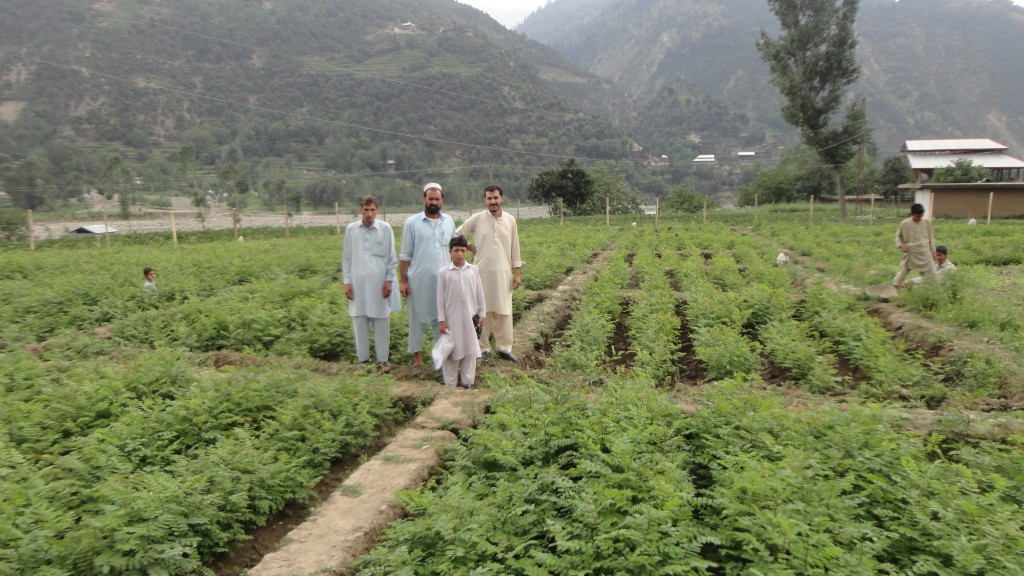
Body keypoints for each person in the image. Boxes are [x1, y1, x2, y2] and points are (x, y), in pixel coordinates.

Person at [456, 184, 522, 362]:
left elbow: (515, 247)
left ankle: (504, 348)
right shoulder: (477, 219)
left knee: (504, 311)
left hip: (503, 273)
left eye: (496, 198)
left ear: (502, 199)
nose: (493, 201)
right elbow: (456, 234)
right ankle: (483, 349)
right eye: (489, 198)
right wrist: (469, 247)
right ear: (485, 200)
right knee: (481, 311)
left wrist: (517, 273)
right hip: (480, 273)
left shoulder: (510, 220)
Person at [400, 183, 456, 377]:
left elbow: (454, 247)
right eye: (430, 199)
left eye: (437, 199)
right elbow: (405, 255)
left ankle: (440, 360)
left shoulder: (448, 221)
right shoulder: (412, 223)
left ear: (442, 201)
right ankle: (417, 360)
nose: (433, 202)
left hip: (444, 282)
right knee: (417, 320)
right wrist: (404, 281)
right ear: (424, 199)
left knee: (441, 320)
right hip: (419, 281)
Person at [342, 195, 400, 373]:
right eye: (366, 210)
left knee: (382, 319)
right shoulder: (351, 230)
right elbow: (346, 258)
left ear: (377, 210)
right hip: (357, 284)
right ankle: (363, 361)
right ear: (361, 210)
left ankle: (383, 361)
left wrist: (389, 280)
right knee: (359, 320)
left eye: (372, 210)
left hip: (379, 284)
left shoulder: (385, 229)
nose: (369, 214)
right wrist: (347, 282)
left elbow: (392, 258)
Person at [437, 235, 486, 388]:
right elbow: (440, 298)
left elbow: (479, 293)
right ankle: (450, 384)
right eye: (456, 250)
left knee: (470, 350)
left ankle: (468, 382)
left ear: (467, 252)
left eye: (463, 251)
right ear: (450, 252)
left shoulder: (473, 270)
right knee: (451, 351)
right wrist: (442, 319)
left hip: (470, 317)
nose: (459, 254)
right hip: (451, 318)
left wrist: (482, 312)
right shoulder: (444, 272)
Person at [893, 203, 937, 288]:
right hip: (911, 251)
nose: (919, 218)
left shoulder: (926, 223)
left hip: (925, 252)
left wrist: (933, 252)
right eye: (918, 216)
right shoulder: (905, 223)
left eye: (921, 216)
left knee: (931, 273)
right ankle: (895, 287)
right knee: (904, 270)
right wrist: (901, 245)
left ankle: (935, 291)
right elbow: (898, 236)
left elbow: (931, 238)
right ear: (912, 214)